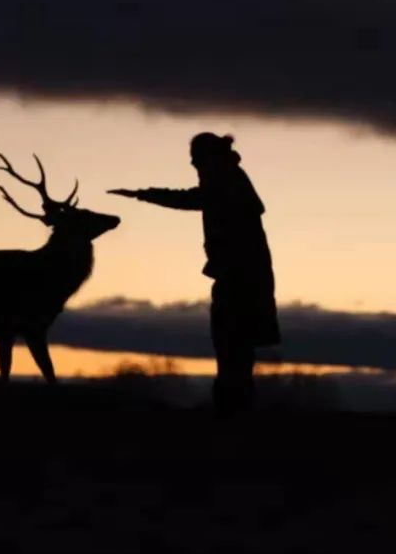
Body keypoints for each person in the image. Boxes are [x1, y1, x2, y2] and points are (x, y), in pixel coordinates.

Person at [109, 132, 280, 415]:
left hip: (239, 279)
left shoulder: (226, 181)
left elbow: (192, 199)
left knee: (232, 346)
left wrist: (144, 194)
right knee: (235, 348)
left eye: (196, 161)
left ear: (207, 158)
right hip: (242, 277)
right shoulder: (228, 179)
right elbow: (197, 199)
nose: (195, 167)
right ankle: (234, 408)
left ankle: (231, 411)